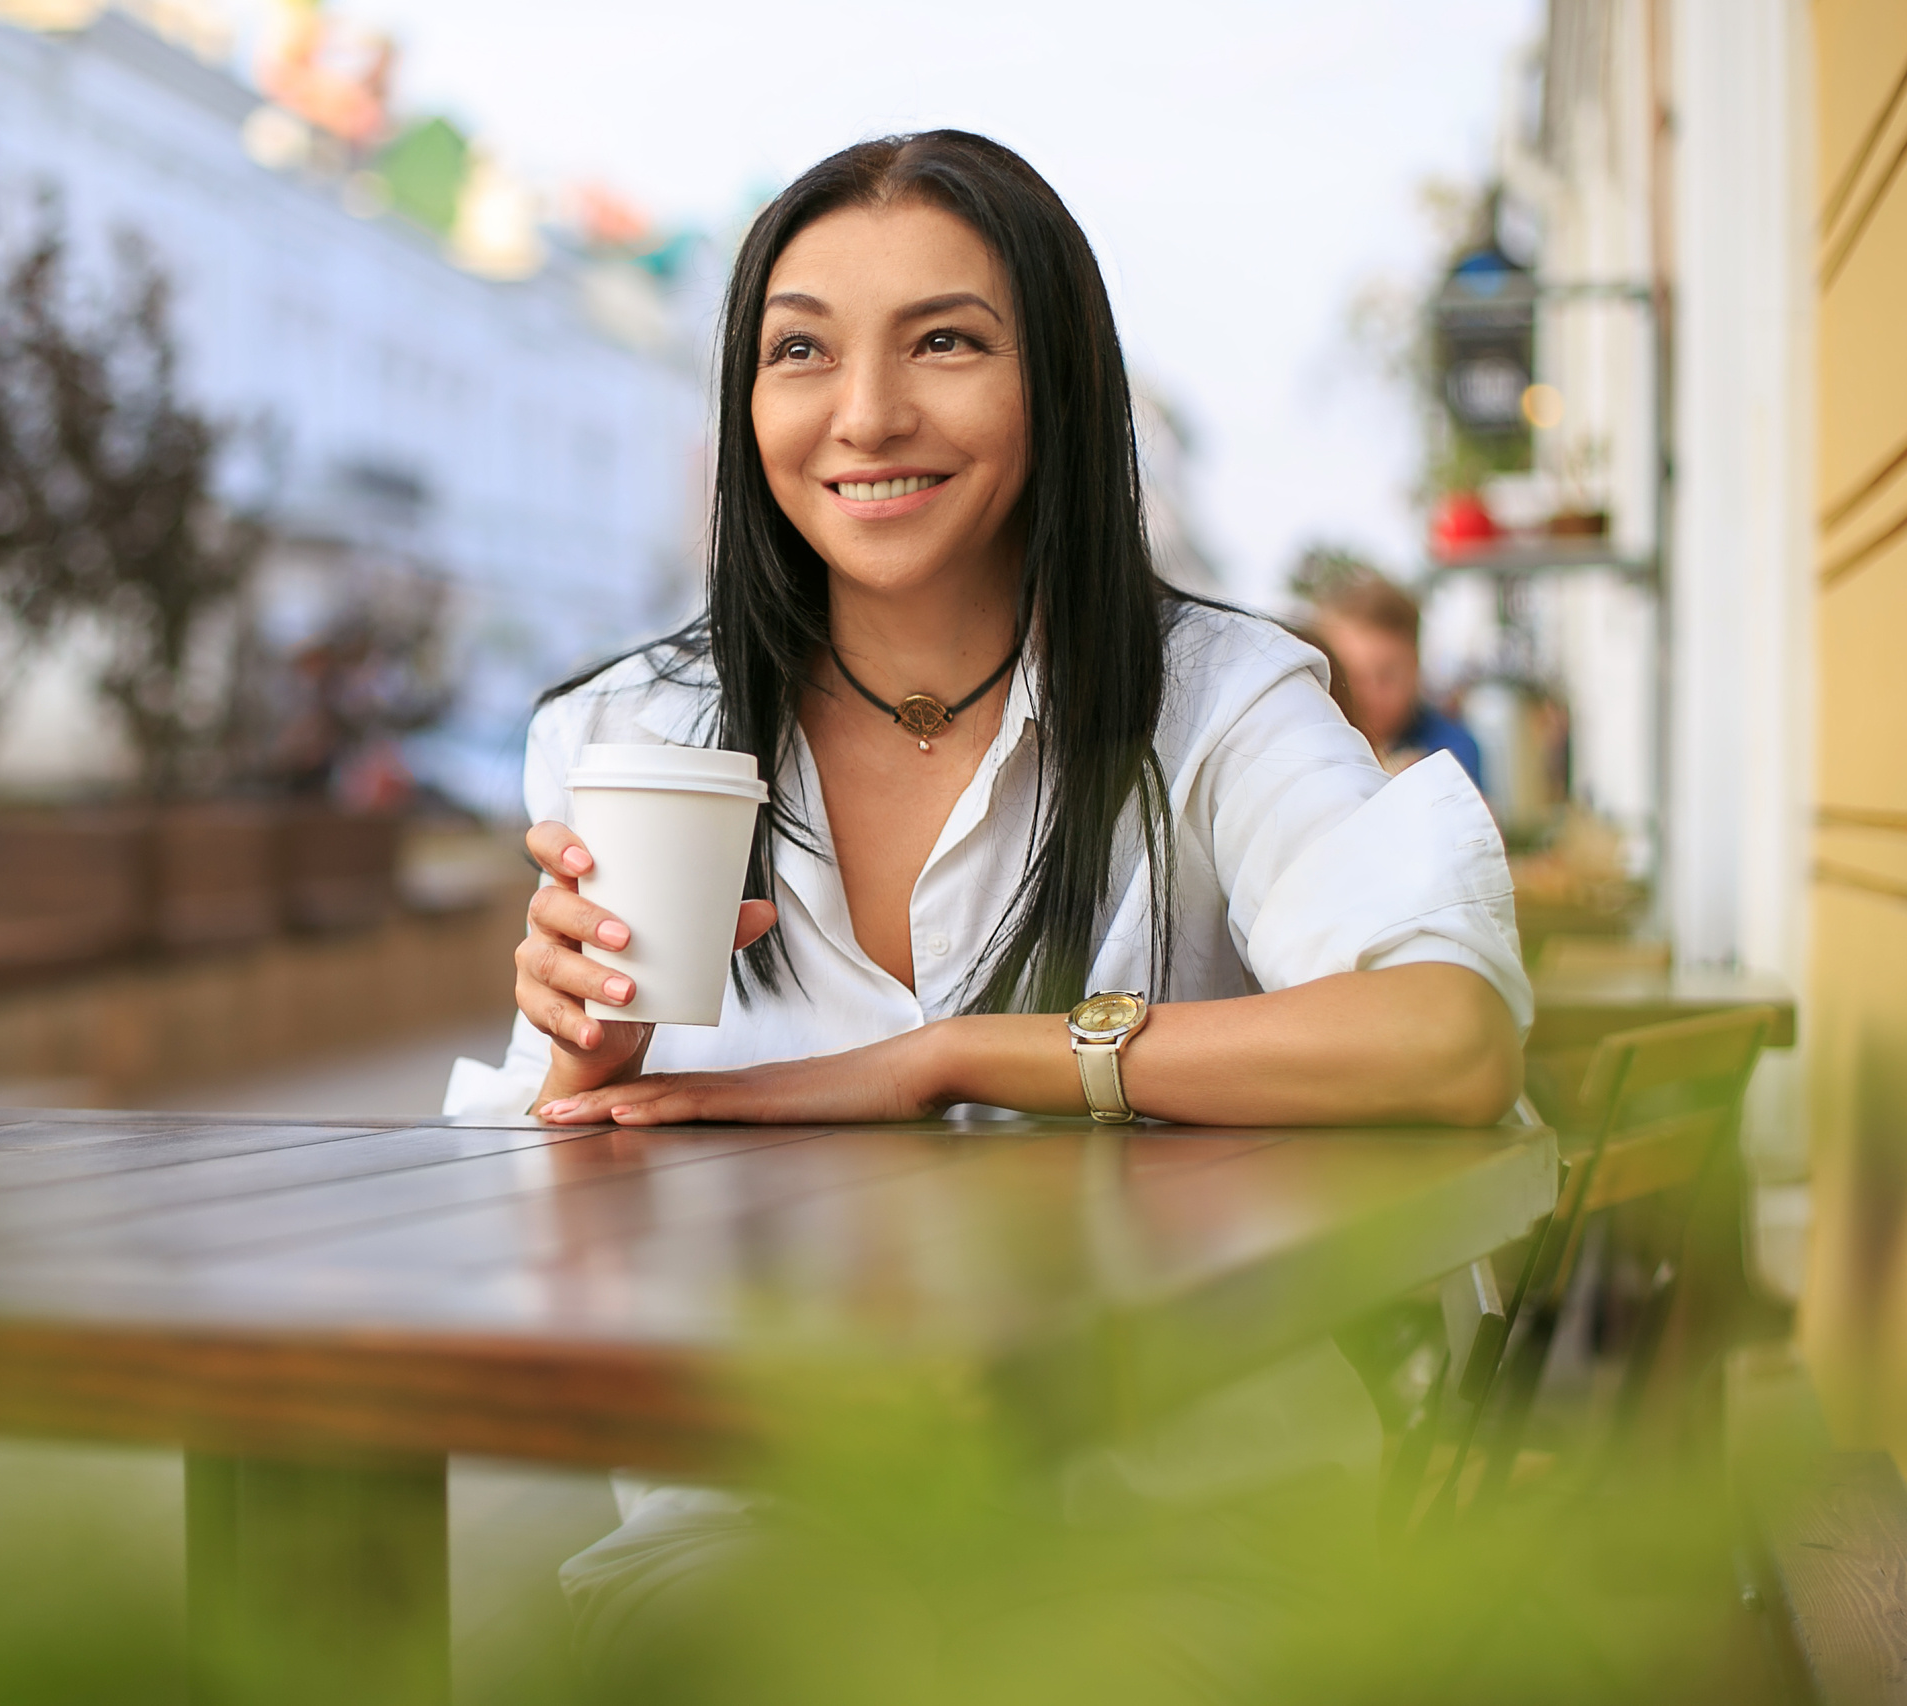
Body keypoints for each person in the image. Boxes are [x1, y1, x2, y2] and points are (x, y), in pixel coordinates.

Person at [438, 131, 1529, 1688]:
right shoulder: (629, 734)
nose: (866, 412)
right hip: (763, 1519)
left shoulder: (1218, 700)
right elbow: (544, 1246)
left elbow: (1446, 1039)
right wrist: (586, 1065)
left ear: (1059, 384)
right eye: (801, 350)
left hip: (1190, 1521)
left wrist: (948, 1058)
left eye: (944, 341)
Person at [1309, 569, 1484, 790]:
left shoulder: (1450, 749)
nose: (1371, 694)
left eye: (1388, 676)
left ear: (1416, 668)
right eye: (1352, 677)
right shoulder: (1311, 742)